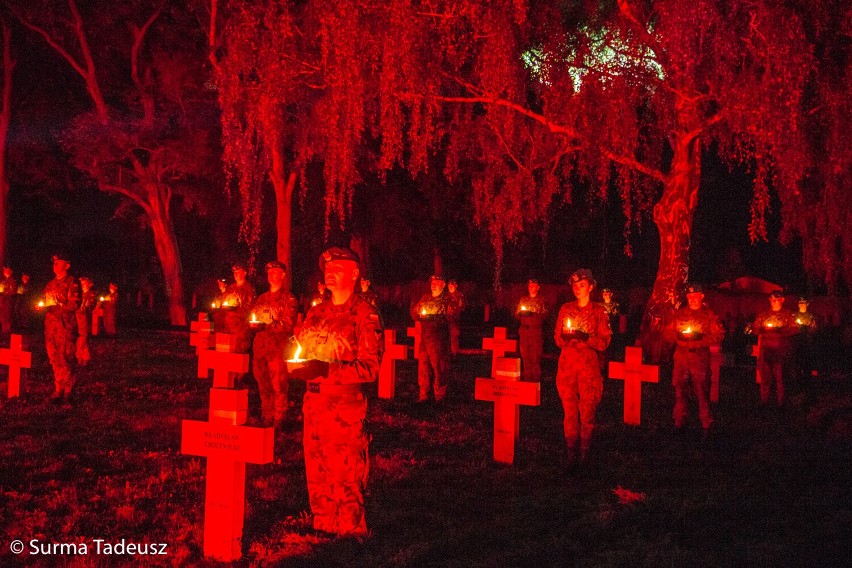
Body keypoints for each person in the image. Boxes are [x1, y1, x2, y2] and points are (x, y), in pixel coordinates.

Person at [290, 247, 382, 537]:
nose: (330, 272)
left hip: (344, 406)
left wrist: (327, 370)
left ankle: (351, 533)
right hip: (314, 403)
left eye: (338, 268)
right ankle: (323, 527)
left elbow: (370, 367)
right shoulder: (316, 312)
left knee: (346, 474)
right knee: (317, 472)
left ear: (355, 274)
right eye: (327, 268)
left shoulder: (365, 314)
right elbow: (302, 348)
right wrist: (298, 365)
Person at [553, 269, 611, 465]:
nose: (578, 289)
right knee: (569, 410)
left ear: (591, 287)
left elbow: (604, 343)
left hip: (588, 368)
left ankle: (585, 453)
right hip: (567, 366)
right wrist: (567, 336)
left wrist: (585, 337)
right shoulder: (566, 309)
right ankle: (571, 452)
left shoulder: (599, 311)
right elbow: (557, 339)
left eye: (582, 285)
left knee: (587, 410)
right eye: (575, 286)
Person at [662, 282, 724, 435]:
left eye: (695, 296)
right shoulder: (680, 314)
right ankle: (679, 423)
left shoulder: (709, 315)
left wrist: (699, 341)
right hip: (681, 358)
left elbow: (719, 335)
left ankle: (706, 425)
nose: (692, 299)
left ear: (701, 296)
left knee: (702, 392)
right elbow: (667, 332)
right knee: (679, 391)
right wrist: (678, 339)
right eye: (689, 296)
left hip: (699, 358)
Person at [250, 261, 299, 427]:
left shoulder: (289, 299)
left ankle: (279, 417)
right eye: (269, 273)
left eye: (276, 272)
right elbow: (254, 316)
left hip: (277, 348)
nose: (272, 276)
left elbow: (288, 323)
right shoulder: (261, 299)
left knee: (278, 383)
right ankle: (267, 414)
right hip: (260, 347)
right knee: (262, 382)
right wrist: (253, 324)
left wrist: (268, 325)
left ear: (283, 275)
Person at [42, 253, 79, 403]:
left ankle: (68, 392)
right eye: (54, 263)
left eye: (58, 263)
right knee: (54, 358)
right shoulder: (50, 284)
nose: (55, 265)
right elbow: (44, 300)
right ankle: (58, 389)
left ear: (67, 265)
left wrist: (59, 307)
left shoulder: (71, 283)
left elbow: (75, 303)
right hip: (51, 327)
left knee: (65, 357)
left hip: (64, 326)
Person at [751, 290, 798, 408]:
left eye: (776, 300)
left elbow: (795, 329)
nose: (774, 302)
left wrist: (781, 331)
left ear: (782, 300)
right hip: (766, 351)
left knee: (780, 379)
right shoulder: (764, 315)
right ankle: (764, 401)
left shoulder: (788, 315)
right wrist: (763, 330)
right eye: (771, 300)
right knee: (765, 378)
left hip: (780, 353)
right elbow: (755, 328)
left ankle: (781, 402)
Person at [412, 274, 452, 403]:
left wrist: (433, 318)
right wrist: (417, 313)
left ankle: (439, 395)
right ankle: (423, 394)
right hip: (425, 338)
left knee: (439, 367)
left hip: (439, 339)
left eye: (437, 282)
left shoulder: (447, 300)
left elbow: (452, 316)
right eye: (432, 282)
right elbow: (415, 313)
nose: (433, 284)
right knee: (423, 366)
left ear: (443, 285)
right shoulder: (425, 298)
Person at [515, 278, 547, 381]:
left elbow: (545, 315)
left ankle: (535, 382)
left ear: (538, 287)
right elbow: (517, 313)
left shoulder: (542, 300)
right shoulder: (523, 299)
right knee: (525, 356)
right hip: (524, 331)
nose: (531, 287)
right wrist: (521, 313)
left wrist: (533, 315)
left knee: (535, 357)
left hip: (535, 332)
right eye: (529, 286)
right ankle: (527, 380)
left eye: (533, 285)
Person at [224, 262, 256, 356]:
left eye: (238, 272)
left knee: (239, 353)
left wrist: (236, 310)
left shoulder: (248, 289)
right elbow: (224, 301)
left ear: (244, 273)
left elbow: (249, 307)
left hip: (240, 327)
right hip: (229, 325)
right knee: (227, 352)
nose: (236, 274)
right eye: (234, 272)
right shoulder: (231, 288)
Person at [793, 297, 818, 384]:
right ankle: (798, 383)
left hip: (807, 342)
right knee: (797, 364)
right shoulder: (794, 315)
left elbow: (814, 329)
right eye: (800, 302)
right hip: (796, 343)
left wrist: (807, 329)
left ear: (807, 304)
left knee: (807, 365)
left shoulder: (811, 316)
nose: (801, 304)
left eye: (803, 302)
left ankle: (808, 383)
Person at [75, 276, 97, 367]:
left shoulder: (90, 294)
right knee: (79, 338)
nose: (83, 285)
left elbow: (90, 306)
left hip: (84, 318)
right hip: (77, 318)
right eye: (82, 283)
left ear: (89, 284)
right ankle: (82, 357)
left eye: (84, 283)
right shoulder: (80, 294)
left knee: (83, 338)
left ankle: (83, 357)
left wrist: (84, 308)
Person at [446, 279, 464, 355]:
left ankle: (454, 354)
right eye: (449, 286)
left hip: (454, 319)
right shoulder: (446, 295)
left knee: (453, 337)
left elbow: (462, 306)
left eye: (452, 286)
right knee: (446, 337)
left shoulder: (459, 295)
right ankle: (447, 353)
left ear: (455, 286)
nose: (450, 287)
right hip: (445, 319)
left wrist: (454, 308)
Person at [0, 266, 16, 335]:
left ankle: (7, 331)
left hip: (7, 301)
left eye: (6, 270)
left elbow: (13, 291)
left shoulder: (12, 281)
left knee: (6, 317)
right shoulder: (4, 281)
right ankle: (4, 330)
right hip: (2, 301)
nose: (4, 271)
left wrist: (5, 294)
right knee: (2, 316)